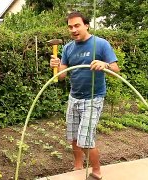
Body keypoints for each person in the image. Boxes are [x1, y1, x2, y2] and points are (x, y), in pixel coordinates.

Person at [50, 11, 120, 180]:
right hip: (74, 97)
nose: (73, 30)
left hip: (93, 99)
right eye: (70, 27)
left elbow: (116, 71)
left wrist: (104, 65)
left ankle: (96, 172)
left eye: (77, 25)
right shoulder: (68, 48)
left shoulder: (101, 44)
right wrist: (56, 65)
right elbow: (61, 77)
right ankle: (78, 165)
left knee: (85, 139)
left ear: (86, 25)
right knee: (73, 136)